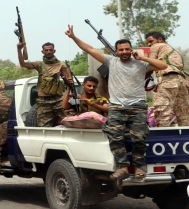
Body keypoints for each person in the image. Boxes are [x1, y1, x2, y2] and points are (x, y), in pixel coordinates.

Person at [65, 25, 168, 181]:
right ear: (116, 51)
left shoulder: (141, 63)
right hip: (117, 107)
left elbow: (164, 65)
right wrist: (73, 37)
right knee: (114, 136)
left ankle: (139, 165)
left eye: (127, 49)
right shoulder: (111, 61)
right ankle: (123, 167)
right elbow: (90, 49)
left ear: (131, 49)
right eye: (121, 50)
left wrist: (143, 57)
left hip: (137, 106)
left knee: (139, 138)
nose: (124, 52)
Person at [17, 42, 73, 127]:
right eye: (46, 50)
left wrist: (70, 85)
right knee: (44, 126)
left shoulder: (61, 64)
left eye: (51, 50)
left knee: (69, 121)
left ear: (54, 51)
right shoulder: (39, 64)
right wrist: (19, 49)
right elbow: (23, 64)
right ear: (42, 52)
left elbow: (69, 80)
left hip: (57, 98)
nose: (49, 52)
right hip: (43, 100)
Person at [145, 31, 189, 127]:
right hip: (181, 82)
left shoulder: (157, 46)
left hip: (168, 81)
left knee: (162, 113)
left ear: (160, 39)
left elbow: (151, 65)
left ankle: (162, 138)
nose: (149, 44)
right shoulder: (175, 51)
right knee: (184, 115)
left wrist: (140, 78)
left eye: (151, 41)